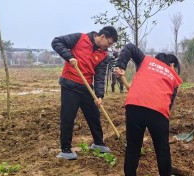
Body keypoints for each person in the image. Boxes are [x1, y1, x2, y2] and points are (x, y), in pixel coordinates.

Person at [114, 43, 182, 176]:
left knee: (133, 148)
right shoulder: (173, 76)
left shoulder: (146, 60)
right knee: (162, 149)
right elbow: (169, 104)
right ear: (173, 65)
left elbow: (130, 47)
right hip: (158, 110)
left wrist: (121, 65)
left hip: (134, 105)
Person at [51, 26, 118, 160]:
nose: (108, 47)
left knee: (94, 115)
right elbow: (56, 42)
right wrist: (69, 56)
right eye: (109, 43)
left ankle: (98, 143)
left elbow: (99, 76)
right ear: (103, 36)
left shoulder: (103, 55)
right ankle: (66, 149)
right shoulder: (80, 38)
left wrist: (99, 95)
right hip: (70, 84)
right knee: (68, 117)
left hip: (86, 87)